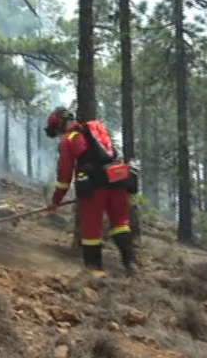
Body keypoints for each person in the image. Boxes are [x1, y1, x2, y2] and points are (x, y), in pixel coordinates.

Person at [44, 107, 137, 275]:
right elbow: (111, 152)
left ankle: (94, 270)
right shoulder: (96, 127)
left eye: (56, 131)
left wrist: (56, 200)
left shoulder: (68, 140)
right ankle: (130, 263)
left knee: (91, 228)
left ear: (59, 125)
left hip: (94, 185)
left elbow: (64, 174)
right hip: (118, 179)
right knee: (120, 223)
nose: (58, 134)